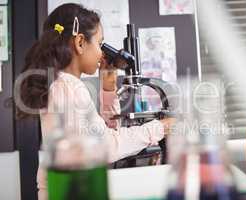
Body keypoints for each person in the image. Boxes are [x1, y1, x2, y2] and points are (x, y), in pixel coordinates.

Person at [16, 3, 175, 199]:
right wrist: (160, 127)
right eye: (100, 44)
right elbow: (107, 146)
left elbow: (101, 132)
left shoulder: (62, 84)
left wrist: (108, 87)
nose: (102, 54)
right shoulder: (68, 88)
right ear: (80, 42)